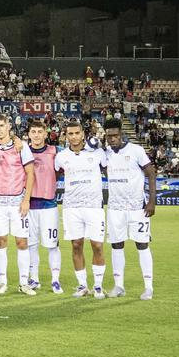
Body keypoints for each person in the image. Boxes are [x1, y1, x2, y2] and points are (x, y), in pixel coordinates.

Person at [103, 119, 156, 300]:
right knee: (116, 245)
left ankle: (148, 287)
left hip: (137, 207)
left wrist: (151, 202)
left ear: (121, 134)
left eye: (115, 135)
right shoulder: (106, 154)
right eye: (109, 136)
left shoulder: (136, 150)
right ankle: (119, 286)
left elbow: (151, 173)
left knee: (142, 244)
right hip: (115, 208)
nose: (112, 139)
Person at [55, 120, 108, 299]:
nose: (74, 137)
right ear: (66, 136)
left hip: (94, 206)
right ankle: (82, 285)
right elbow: (53, 176)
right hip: (71, 207)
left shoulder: (98, 153)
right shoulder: (61, 156)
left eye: (77, 133)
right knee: (76, 245)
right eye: (70, 134)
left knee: (97, 246)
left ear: (83, 134)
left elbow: (110, 169)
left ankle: (98, 286)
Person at [0, 114, 36, 295]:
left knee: (22, 241)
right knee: (0, 241)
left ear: (8, 126)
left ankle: (24, 283)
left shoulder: (22, 147)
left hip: (17, 202)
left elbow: (30, 174)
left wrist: (26, 200)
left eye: (1, 125)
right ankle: (2, 282)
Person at [26, 119, 63, 293]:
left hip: (49, 205)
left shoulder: (55, 152)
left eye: (40, 132)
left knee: (52, 245)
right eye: (33, 132)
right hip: (30, 205)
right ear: (28, 134)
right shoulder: (23, 152)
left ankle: (55, 280)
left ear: (45, 134)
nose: (36, 135)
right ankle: (34, 279)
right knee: (31, 244)